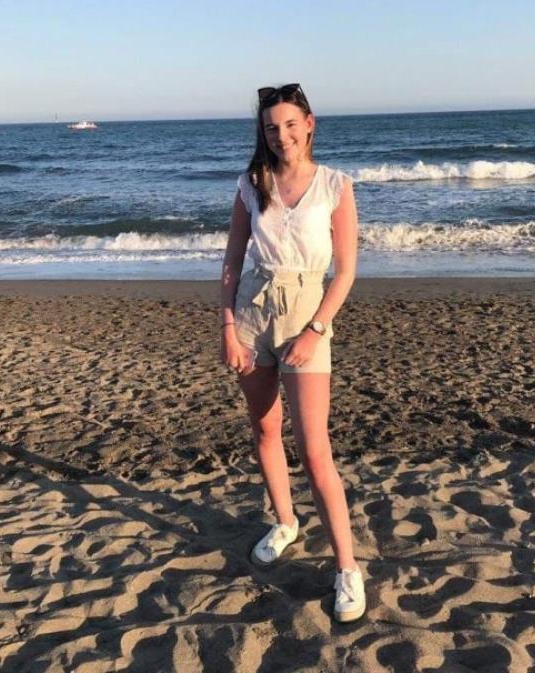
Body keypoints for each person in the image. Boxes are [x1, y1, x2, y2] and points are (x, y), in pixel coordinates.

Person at [220, 83, 365, 623]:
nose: (280, 136)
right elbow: (232, 262)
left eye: (288, 124)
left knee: (314, 447)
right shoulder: (252, 183)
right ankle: (284, 521)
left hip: (308, 313)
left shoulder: (335, 186)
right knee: (264, 429)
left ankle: (347, 568)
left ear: (309, 123)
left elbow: (346, 270)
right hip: (253, 310)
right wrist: (229, 326)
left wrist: (316, 328)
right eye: (269, 128)